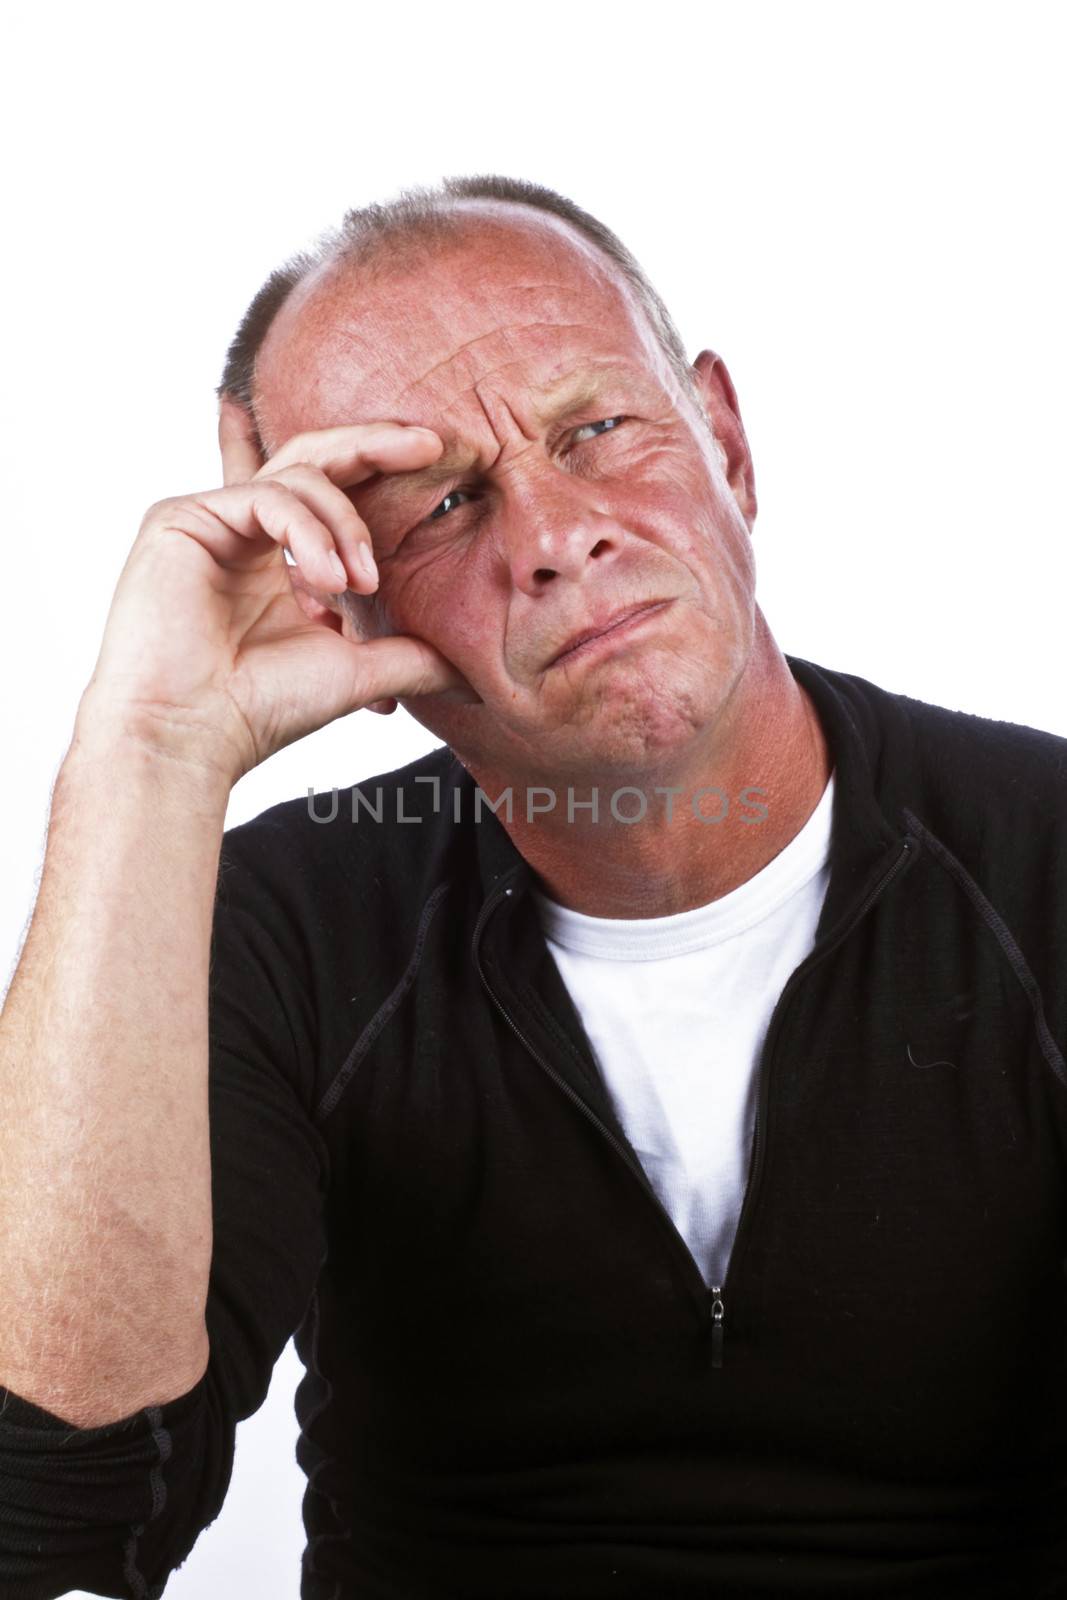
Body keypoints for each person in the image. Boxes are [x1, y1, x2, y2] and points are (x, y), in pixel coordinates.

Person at [1, 173, 1066, 1600]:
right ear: (340, 596)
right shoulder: (280, 923)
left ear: (728, 448)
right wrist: (147, 754)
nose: (557, 534)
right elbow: (55, 1518)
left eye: (599, 429)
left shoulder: (1048, 856)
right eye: (443, 501)